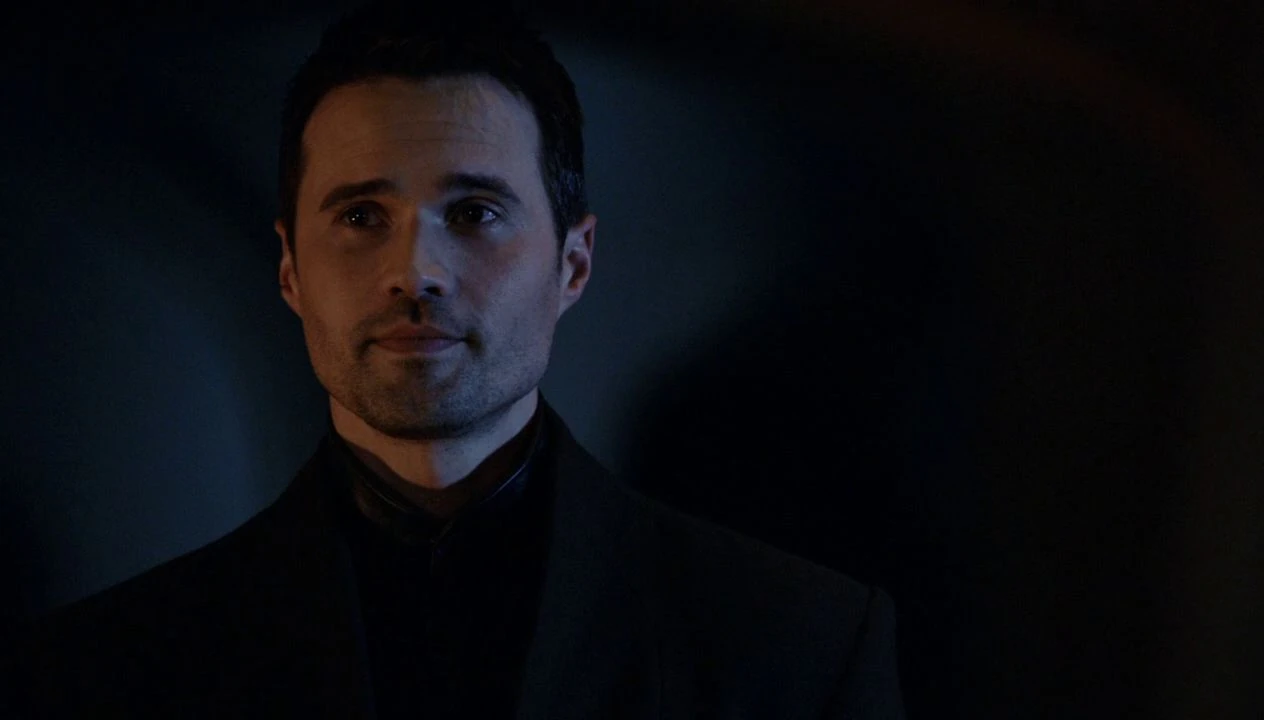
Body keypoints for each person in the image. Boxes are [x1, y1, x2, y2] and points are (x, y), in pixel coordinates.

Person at [5, 2, 905, 717]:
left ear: (573, 263)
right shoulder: (101, 672)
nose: (416, 272)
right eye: (361, 217)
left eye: (474, 213)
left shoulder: (796, 646)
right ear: (289, 270)